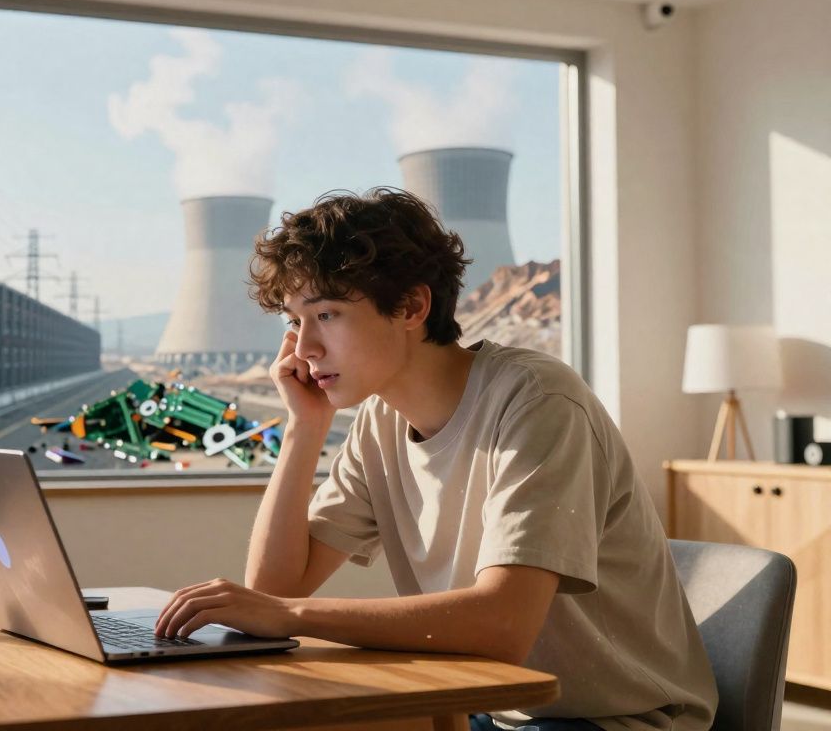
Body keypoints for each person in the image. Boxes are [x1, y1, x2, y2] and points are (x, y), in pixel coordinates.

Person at [153, 188, 717, 731]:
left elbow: (504, 625)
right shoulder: (379, 422)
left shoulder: (539, 401)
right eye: (294, 323)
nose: (303, 350)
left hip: (608, 720)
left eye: (325, 315)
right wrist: (305, 429)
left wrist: (291, 618)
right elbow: (275, 587)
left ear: (411, 306)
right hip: (488, 707)